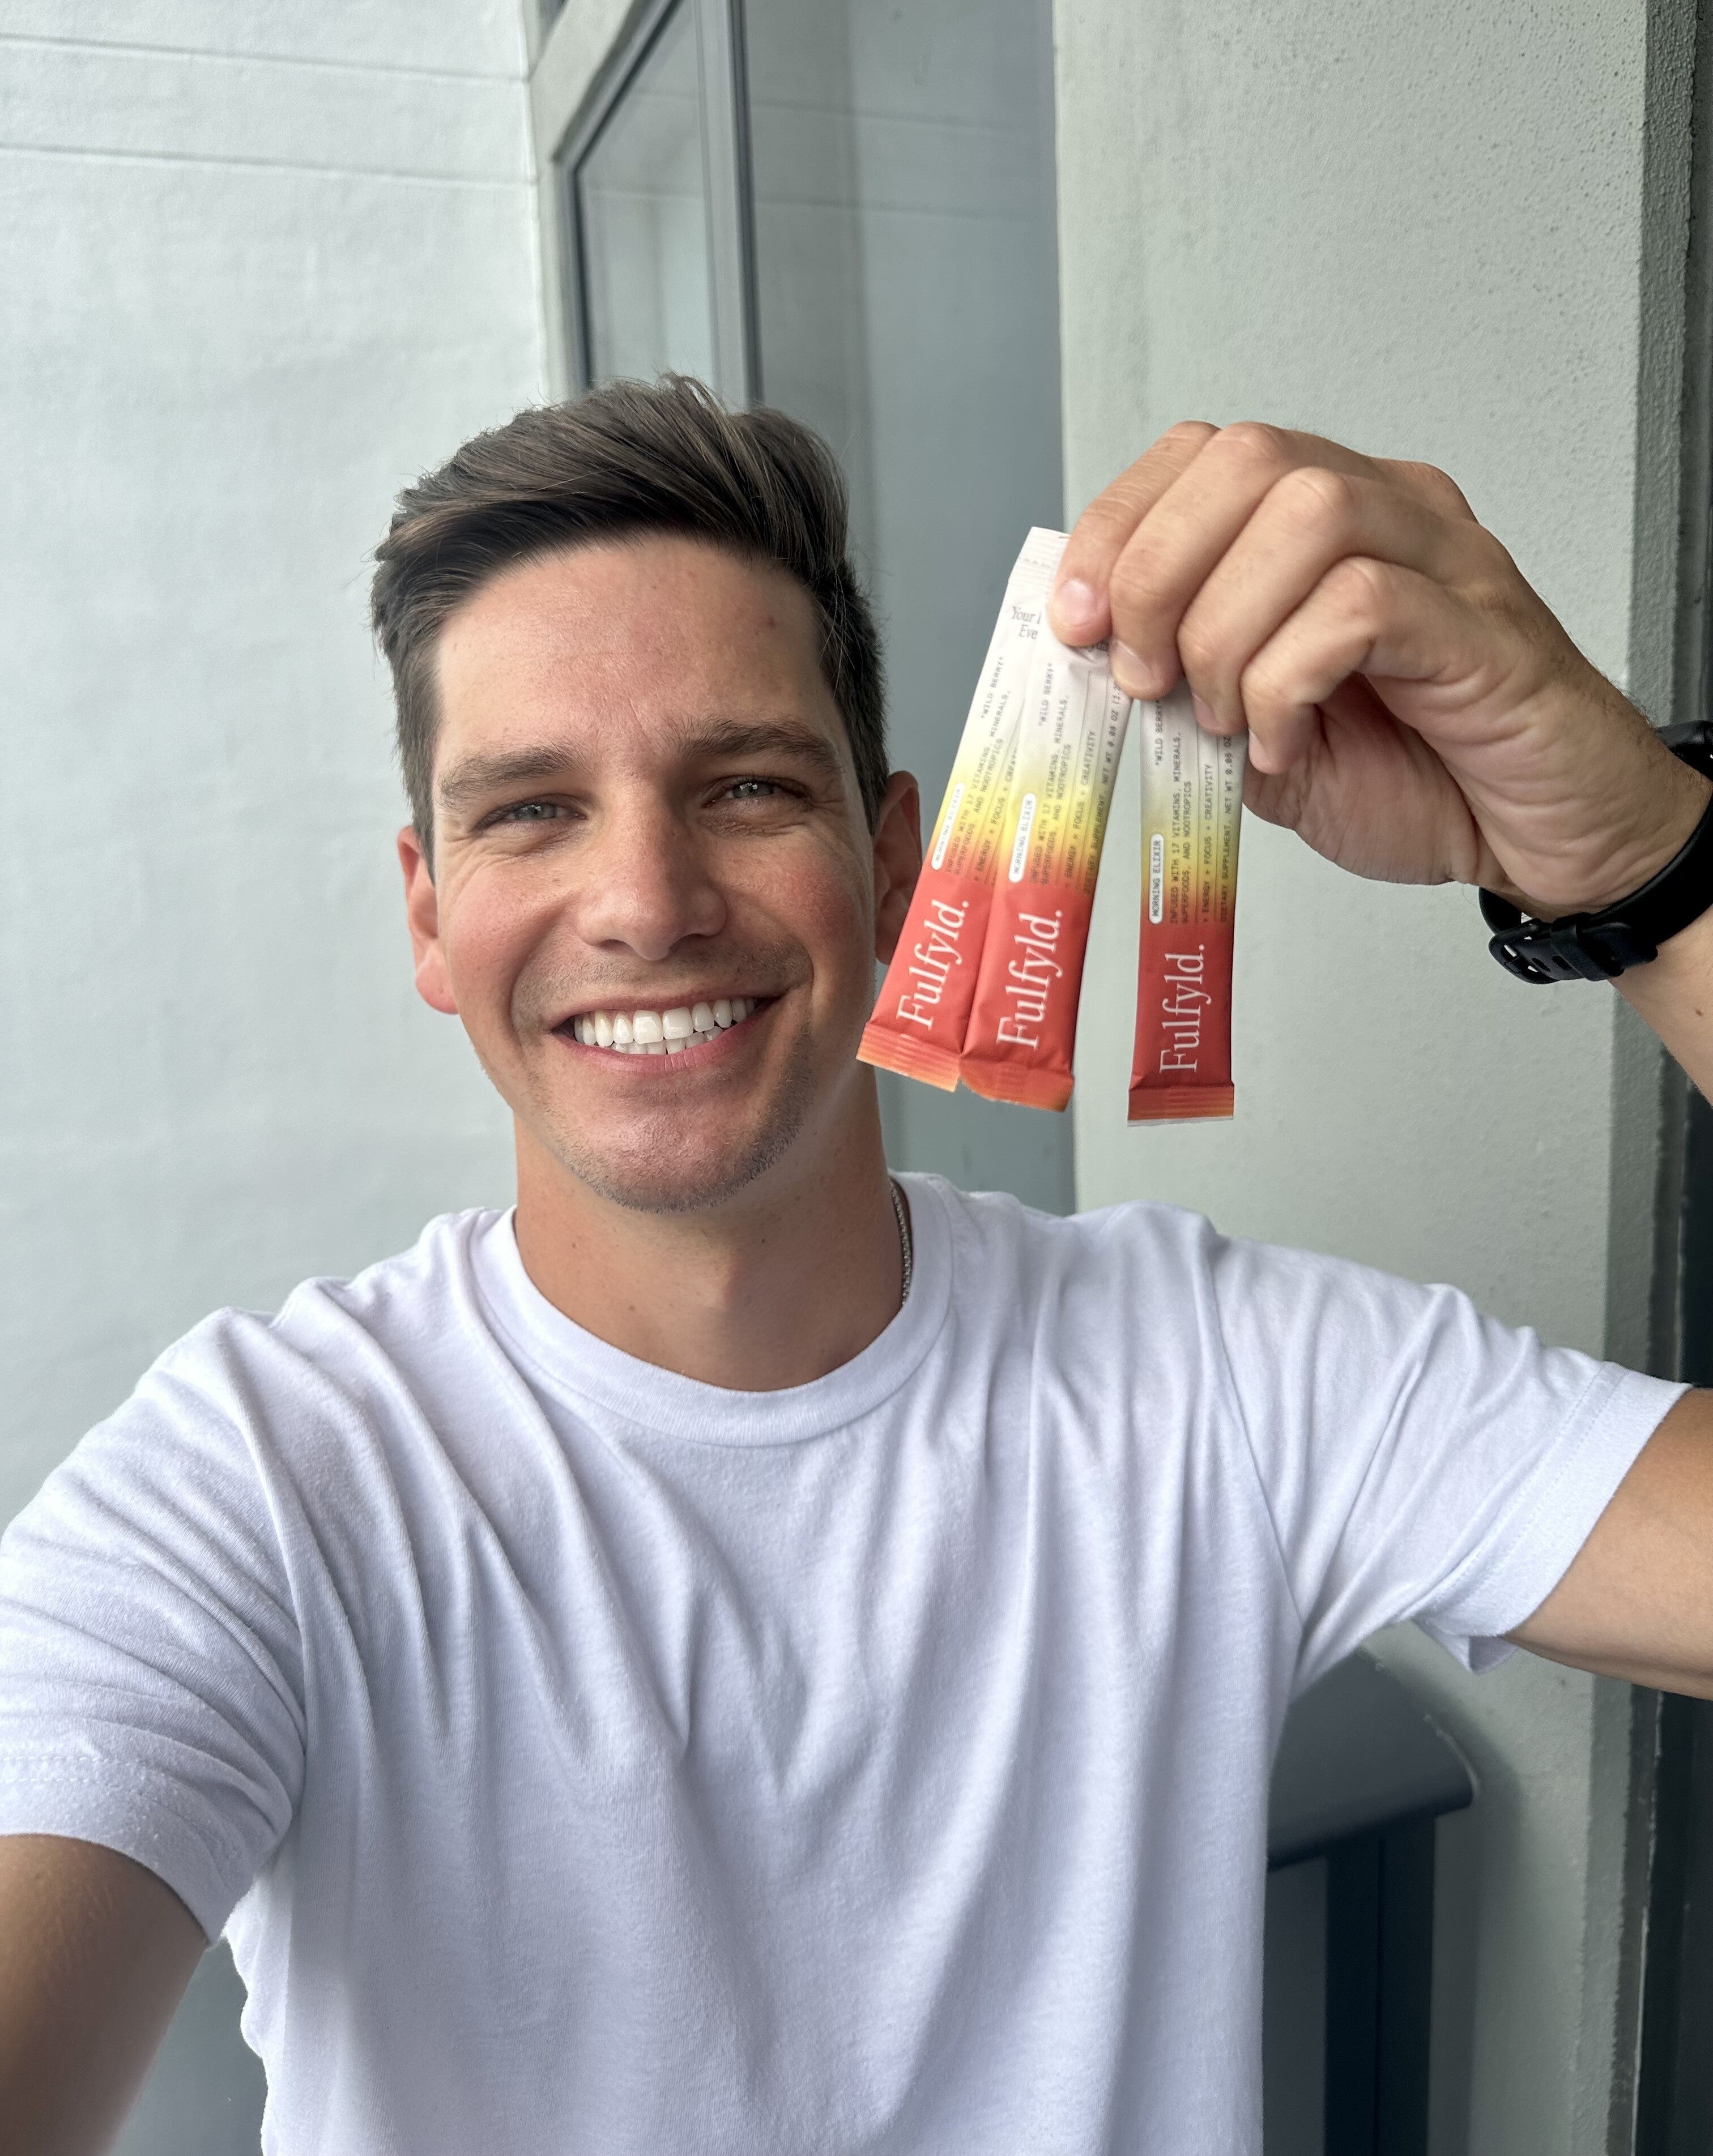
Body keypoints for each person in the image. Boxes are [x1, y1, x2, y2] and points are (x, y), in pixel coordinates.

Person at [1, 379, 1708, 2156]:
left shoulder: (1215, 1375)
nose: (647, 901)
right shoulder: (254, 1493)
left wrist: (1641, 858)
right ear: (431, 914)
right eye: (530, 812)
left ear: (896, 862)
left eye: (743, 784)